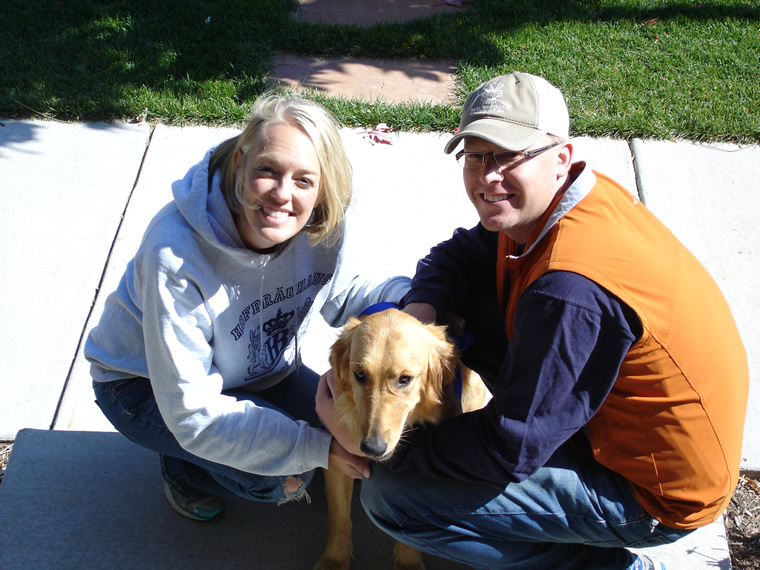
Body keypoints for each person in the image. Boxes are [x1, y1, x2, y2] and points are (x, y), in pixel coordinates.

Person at [319, 72, 750, 569]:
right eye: (476, 156)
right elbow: (455, 257)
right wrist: (420, 313)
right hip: (621, 416)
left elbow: (508, 448)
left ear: (561, 157)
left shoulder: (568, 293)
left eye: (508, 156)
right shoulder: (558, 204)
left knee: (394, 499)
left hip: (656, 494)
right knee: (471, 303)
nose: (488, 177)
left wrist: (379, 450)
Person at [86, 95, 407, 521]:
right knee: (283, 481)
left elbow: (349, 292)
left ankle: (213, 451)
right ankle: (184, 470)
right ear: (240, 163)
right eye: (267, 170)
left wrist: (416, 303)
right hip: (142, 386)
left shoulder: (317, 225)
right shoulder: (175, 255)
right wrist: (317, 448)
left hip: (254, 371)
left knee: (349, 434)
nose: (281, 195)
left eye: (304, 181)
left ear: (323, 188)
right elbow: (194, 412)